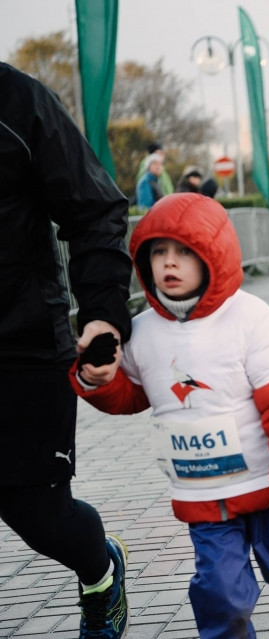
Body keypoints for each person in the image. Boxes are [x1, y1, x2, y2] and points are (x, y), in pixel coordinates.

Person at [70, 193, 269, 637]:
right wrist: (97, 378)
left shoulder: (249, 317)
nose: (169, 262)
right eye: (159, 252)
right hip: (203, 491)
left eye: (184, 252)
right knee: (220, 593)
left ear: (213, 255)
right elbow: (131, 396)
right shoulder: (142, 330)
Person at [0, 61, 132, 639]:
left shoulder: (17, 103)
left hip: (20, 344)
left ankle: (100, 570)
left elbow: (94, 208)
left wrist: (103, 314)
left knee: (40, 516)